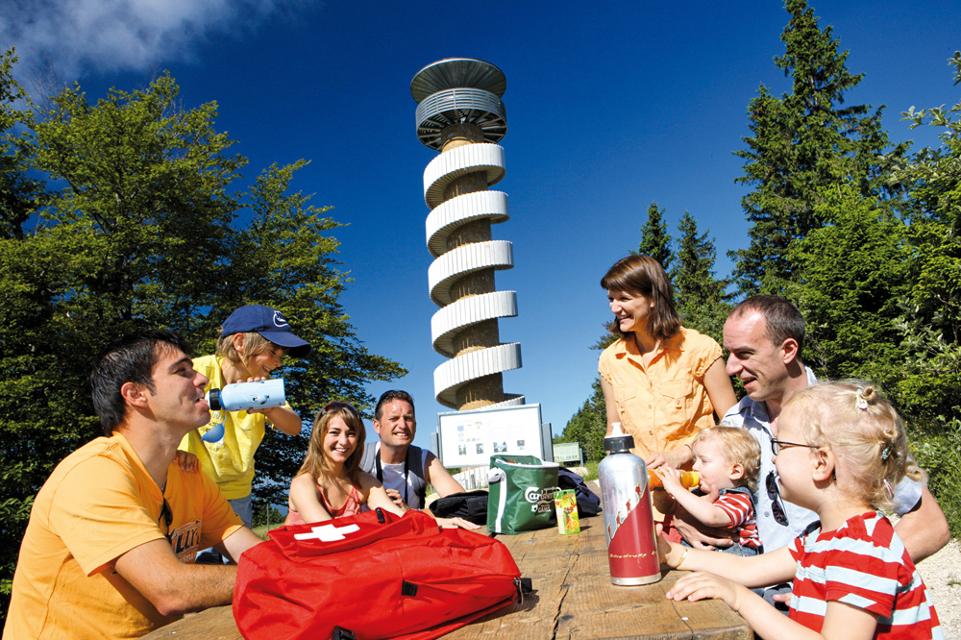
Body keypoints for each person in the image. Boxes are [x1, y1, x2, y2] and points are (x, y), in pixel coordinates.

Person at [3, 330, 262, 639]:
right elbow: (171, 590)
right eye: (182, 371)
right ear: (136, 395)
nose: (202, 380)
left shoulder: (190, 476)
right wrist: (277, 577)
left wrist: (303, 570)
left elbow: (251, 551)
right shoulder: (93, 474)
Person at [659, 381, 942, 639]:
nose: (773, 457)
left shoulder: (860, 549)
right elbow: (749, 569)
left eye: (780, 446)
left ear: (821, 463)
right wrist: (673, 553)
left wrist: (740, 598)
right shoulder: (825, 537)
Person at [706, 295, 950, 567]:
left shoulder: (849, 415)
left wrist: (843, 580)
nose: (730, 368)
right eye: (729, 354)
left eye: (744, 354)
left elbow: (929, 524)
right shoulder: (735, 423)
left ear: (787, 349)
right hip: (754, 590)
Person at [598, 255, 737, 468]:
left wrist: (685, 453)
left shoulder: (700, 349)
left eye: (624, 299)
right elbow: (614, 431)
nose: (614, 308)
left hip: (698, 489)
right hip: (644, 492)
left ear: (653, 298)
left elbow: (733, 426)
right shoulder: (610, 360)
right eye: (611, 299)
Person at [179, 304, 310, 528]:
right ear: (240, 342)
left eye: (281, 355)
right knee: (194, 559)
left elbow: (294, 426)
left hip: (237, 492)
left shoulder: (263, 389)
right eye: (272, 352)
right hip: (189, 488)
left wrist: (270, 409)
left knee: (241, 561)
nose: (278, 362)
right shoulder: (196, 373)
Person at [286, 402, 404, 524]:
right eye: (334, 432)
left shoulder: (363, 482)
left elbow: (400, 518)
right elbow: (328, 532)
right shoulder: (303, 483)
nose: (343, 441)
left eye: (351, 434)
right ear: (319, 435)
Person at [658, 426, 762, 556]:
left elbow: (712, 516)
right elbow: (667, 508)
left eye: (704, 461)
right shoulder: (698, 493)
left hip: (734, 567)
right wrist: (662, 489)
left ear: (734, 471)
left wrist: (676, 488)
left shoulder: (738, 499)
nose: (695, 467)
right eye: (695, 460)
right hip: (704, 563)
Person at [359, 390, 466, 510]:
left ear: (415, 424)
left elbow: (462, 505)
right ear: (377, 425)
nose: (403, 425)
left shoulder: (424, 460)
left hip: (412, 527)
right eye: (394, 418)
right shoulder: (360, 458)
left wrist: (409, 513)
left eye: (408, 418)